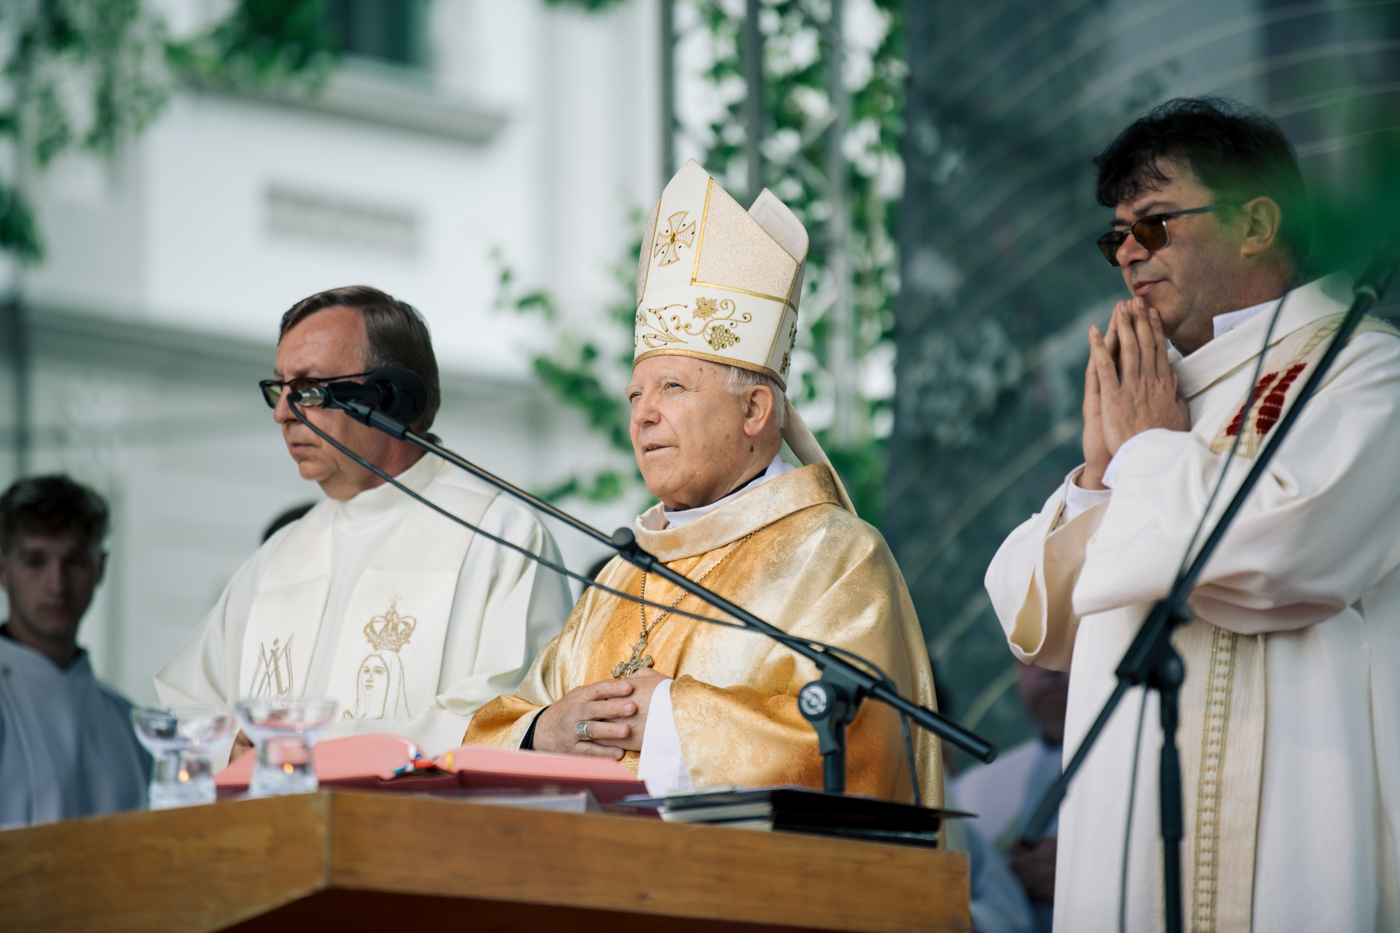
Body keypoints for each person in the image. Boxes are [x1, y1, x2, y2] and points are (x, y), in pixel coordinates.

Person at [985, 97, 1400, 931]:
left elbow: (1285, 554)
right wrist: (1100, 477)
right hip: (1128, 840)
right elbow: (1038, 619)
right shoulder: (1160, 402)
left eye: (1156, 223)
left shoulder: (1362, 371)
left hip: (1296, 834)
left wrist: (1141, 457)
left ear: (1255, 222)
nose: (1129, 255)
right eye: (1117, 238)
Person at [467, 160, 942, 805]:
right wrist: (542, 733)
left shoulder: (834, 556)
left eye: (673, 388)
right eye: (636, 392)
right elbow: (497, 731)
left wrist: (666, 720)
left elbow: (862, 747)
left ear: (754, 412)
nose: (643, 413)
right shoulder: (619, 578)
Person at [156, 286, 571, 760]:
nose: (281, 414)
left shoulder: (499, 537)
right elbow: (186, 707)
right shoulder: (277, 559)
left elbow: (513, 723)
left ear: (391, 397)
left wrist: (314, 749)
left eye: (308, 389)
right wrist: (228, 746)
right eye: (279, 388)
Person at [0, 475, 150, 827]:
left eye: (75, 562)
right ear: (3, 569)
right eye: (36, 561)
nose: (57, 584)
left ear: (100, 568)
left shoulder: (129, 723)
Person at [953, 663, 1067, 933]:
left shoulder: (1150, 760)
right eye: (1029, 660)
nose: (1048, 670)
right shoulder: (974, 787)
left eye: (1064, 652)